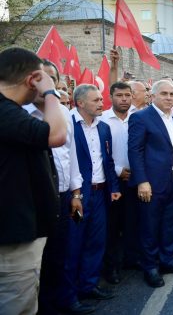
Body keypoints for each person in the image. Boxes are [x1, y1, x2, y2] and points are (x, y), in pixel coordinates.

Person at [0, 47, 66, 315]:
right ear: (33, 79)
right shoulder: (5, 112)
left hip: (15, 229)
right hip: (13, 236)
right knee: (18, 305)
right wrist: (51, 93)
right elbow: (56, 135)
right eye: (44, 78)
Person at [24, 58, 84, 314]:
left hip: (62, 197)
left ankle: (63, 301)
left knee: (61, 254)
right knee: (35, 262)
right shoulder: (19, 116)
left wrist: (76, 192)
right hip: (32, 202)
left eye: (52, 79)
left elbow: (70, 157)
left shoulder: (61, 115)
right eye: (41, 78)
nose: (47, 84)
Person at [128, 80, 173, 288]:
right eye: (163, 93)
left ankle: (167, 261)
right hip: (152, 183)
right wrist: (142, 181)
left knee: (171, 225)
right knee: (150, 226)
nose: (168, 97)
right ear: (152, 96)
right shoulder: (140, 117)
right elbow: (135, 151)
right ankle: (150, 267)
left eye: (172, 94)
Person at [63, 84, 121, 309]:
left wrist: (113, 186)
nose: (101, 103)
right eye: (96, 100)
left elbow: (108, 160)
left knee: (96, 242)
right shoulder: (68, 125)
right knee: (73, 244)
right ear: (80, 103)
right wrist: (74, 194)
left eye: (101, 99)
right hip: (76, 197)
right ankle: (69, 296)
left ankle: (89, 285)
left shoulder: (103, 127)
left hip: (100, 195)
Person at [101, 81, 140, 286]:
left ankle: (130, 259)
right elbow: (99, 152)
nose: (124, 99)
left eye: (127, 95)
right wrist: (118, 171)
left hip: (135, 178)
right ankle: (111, 268)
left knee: (132, 222)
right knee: (113, 226)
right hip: (112, 180)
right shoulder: (102, 120)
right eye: (119, 95)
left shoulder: (138, 117)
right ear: (111, 97)